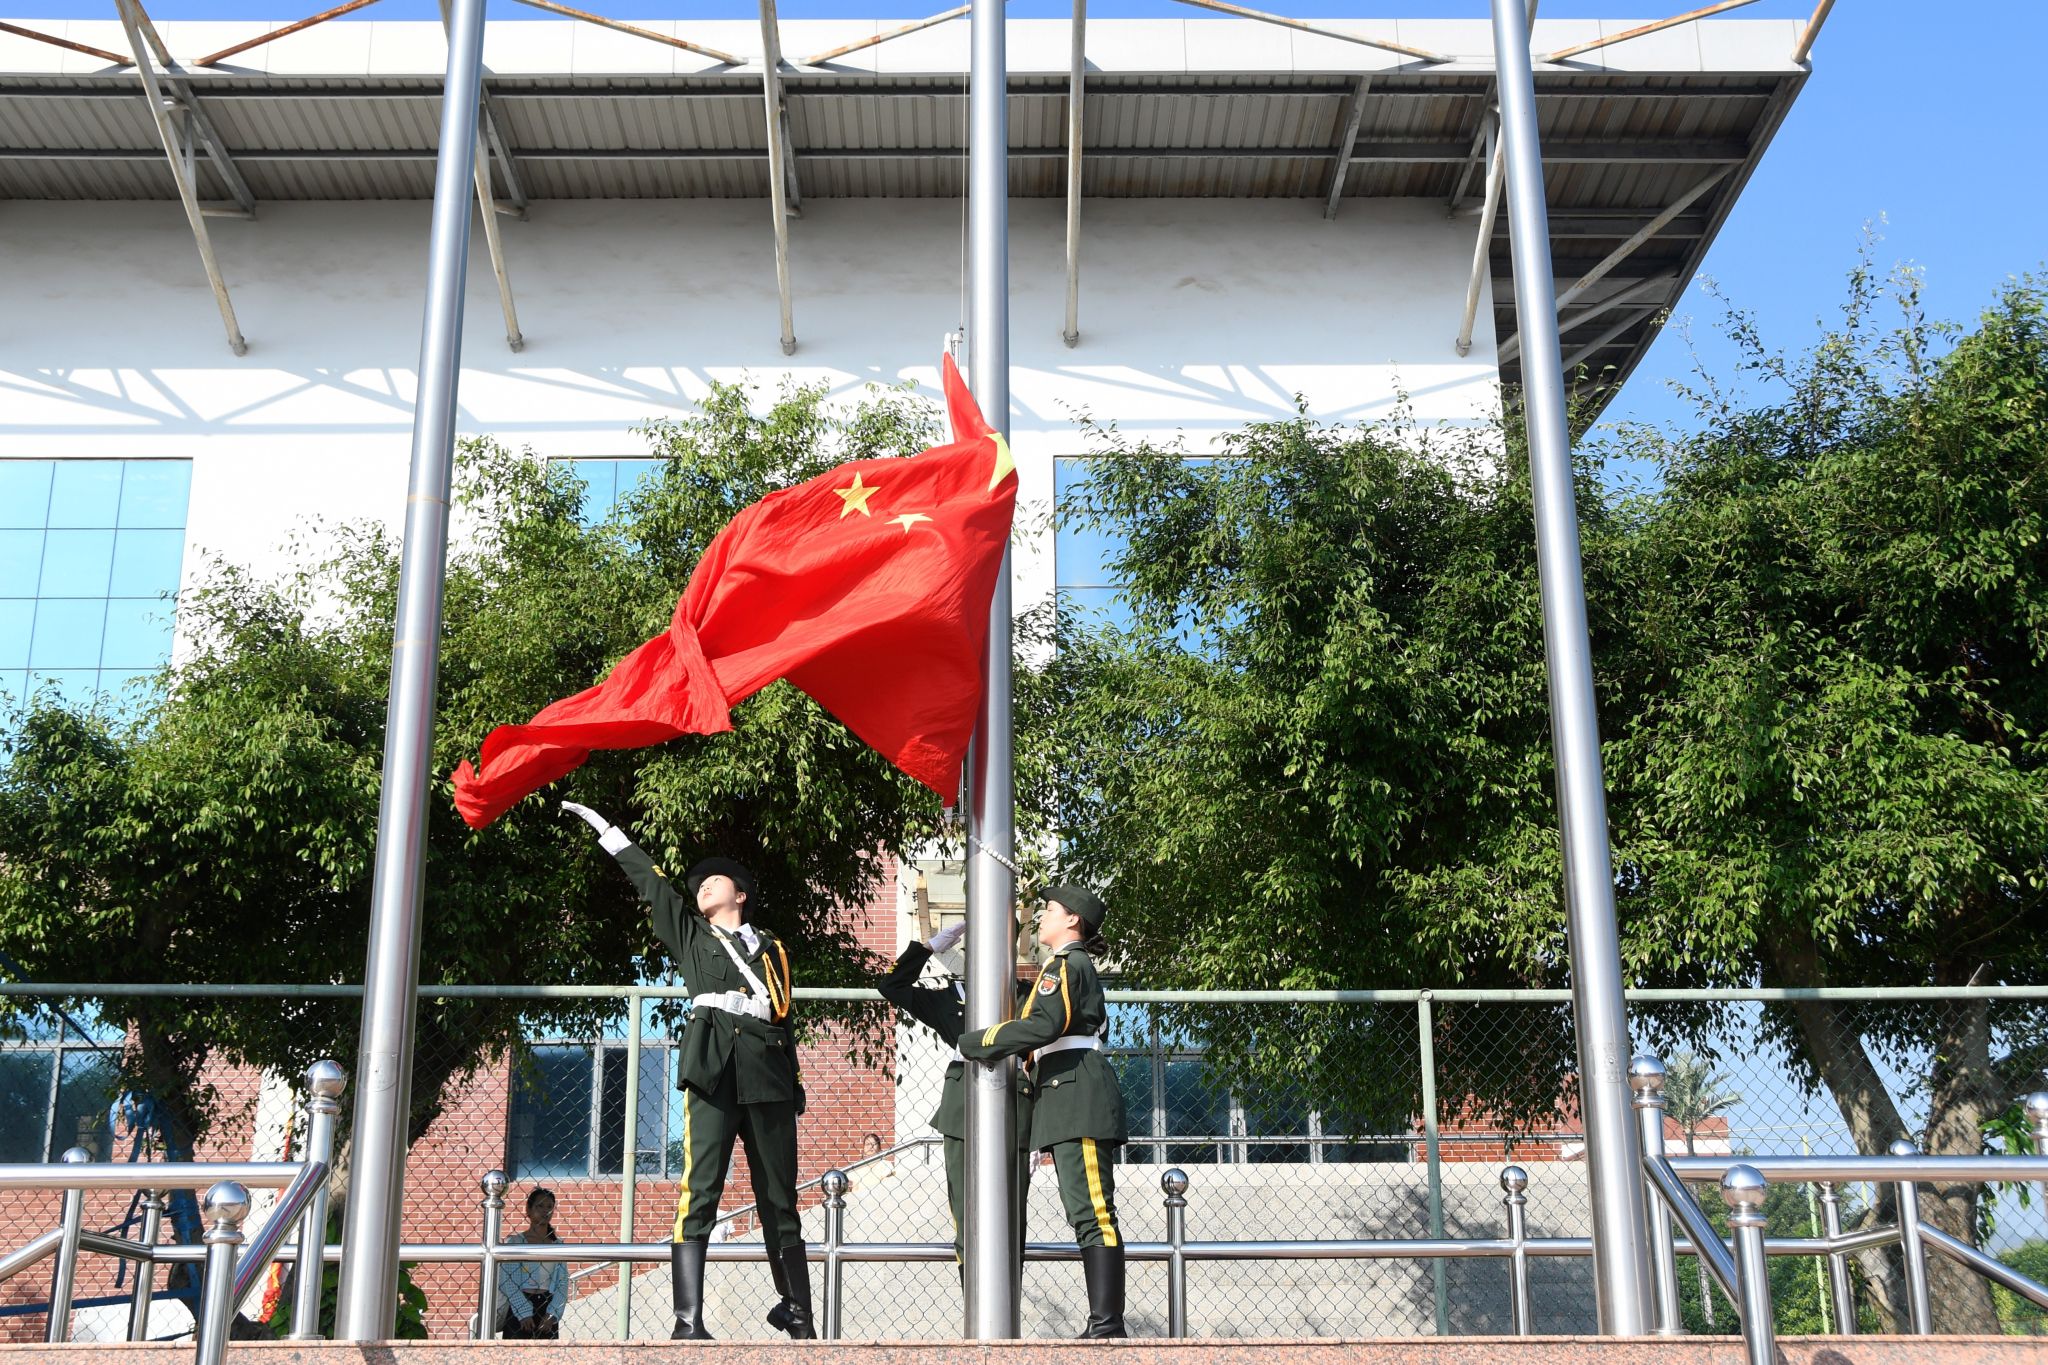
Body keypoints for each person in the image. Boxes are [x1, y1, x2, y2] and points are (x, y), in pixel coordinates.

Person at [560, 801, 814, 1341]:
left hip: (768, 1074)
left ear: (740, 894)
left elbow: (784, 1017)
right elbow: (652, 885)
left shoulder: (773, 949)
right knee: (700, 1190)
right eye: (697, 886)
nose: (701, 888)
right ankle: (688, 1321)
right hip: (713, 1070)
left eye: (713, 881)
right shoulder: (693, 935)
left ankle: (798, 1312)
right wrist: (608, 831)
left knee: (780, 1196)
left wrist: (793, 1083)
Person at [958, 886, 1127, 1338]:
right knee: (1085, 1211)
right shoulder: (1066, 964)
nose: (1042, 918)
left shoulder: (1067, 964)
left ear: (1072, 920)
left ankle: (1108, 1324)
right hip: (1064, 1090)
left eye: (1050, 910)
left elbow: (1044, 1025)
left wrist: (978, 1042)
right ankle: (1103, 1322)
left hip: (1077, 1093)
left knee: (1093, 1211)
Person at [875, 920, 1036, 1270]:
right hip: (963, 1100)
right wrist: (930, 946)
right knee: (966, 1211)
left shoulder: (1028, 995)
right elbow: (891, 985)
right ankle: (973, 1299)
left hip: (1014, 1100)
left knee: (1012, 1215)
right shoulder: (951, 995)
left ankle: (1009, 1296)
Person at [497, 1187, 568, 1339]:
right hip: (518, 1304)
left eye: (549, 1207)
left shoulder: (558, 1245)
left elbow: (562, 1283)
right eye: (540, 1206)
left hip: (547, 1306)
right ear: (528, 1210)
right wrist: (523, 1312)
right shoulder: (515, 1242)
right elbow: (507, 1281)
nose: (545, 1211)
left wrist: (552, 1314)